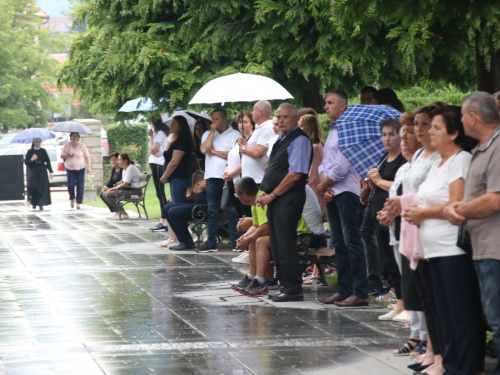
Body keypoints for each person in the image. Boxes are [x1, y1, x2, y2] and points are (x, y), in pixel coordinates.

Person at [403, 105, 484, 375]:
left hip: (452, 248)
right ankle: (449, 363)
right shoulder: (439, 162)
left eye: (436, 127)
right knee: (444, 311)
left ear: (453, 133)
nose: (430, 132)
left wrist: (422, 212)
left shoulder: (460, 159)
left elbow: (456, 203)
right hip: (433, 249)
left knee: (460, 312)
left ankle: (466, 366)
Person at [444, 92, 500, 374]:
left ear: (474, 117)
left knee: (498, 320)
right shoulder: (483, 147)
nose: (462, 121)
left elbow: (494, 199)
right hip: (483, 248)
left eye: (463, 116)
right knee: (492, 316)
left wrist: (460, 210)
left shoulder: (498, 147)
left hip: (495, 249)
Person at [317, 90, 369, 307]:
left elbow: (341, 166)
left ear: (343, 106)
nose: (326, 106)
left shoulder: (350, 128)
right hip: (332, 191)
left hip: (346, 192)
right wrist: (323, 184)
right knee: (338, 242)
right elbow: (325, 162)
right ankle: (344, 288)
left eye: (330, 103)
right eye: (325, 103)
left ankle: (360, 291)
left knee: (352, 241)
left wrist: (323, 185)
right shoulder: (333, 129)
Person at [258, 103, 312, 302]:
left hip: (288, 197)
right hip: (276, 197)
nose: (280, 120)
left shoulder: (299, 140)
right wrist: (265, 192)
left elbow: (295, 174)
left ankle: (293, 288)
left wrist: (272, 194)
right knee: (277, 242)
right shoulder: (281, 139)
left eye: (285, 117)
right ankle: (285, 284)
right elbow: (275, 169)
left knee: (286, 242)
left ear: (296, 119)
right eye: (278, 117)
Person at [232, 177, 323, 296]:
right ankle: (253, 276)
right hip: (286, 234)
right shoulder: (256, 201)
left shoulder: (261, 199)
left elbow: (265, 228)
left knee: (260, 241)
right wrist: (245, 238)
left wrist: (249, 238)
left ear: (243, 195)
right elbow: (256, 225)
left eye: (236, 194)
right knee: (254, 240)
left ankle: (260, 281)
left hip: (300, 236)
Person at [366, 119, 406, 318]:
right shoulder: (384, 157)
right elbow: (379, 184)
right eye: (384, 135)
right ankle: (399, 303)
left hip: (395, 218)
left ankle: (405, 304)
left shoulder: (404, 160)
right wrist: (372, 183)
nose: (387, 139)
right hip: (380, 215)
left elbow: (399, 186)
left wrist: (379, 181)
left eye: (391, 134)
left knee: (398, 261)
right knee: (388, 262)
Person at [198, 108, 241, 253]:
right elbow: (204, 150)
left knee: (232, 210)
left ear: (224, 118)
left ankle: (236, 242)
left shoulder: (235, 134)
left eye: (217, 119)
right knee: (212, 210)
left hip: (228, 176)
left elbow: (234, 154)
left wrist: (214, 151)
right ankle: (211, 243)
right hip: (211, 176)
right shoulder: (207, 134)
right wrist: (211, 132)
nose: (215, 122)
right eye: (213, 119)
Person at [163, 170, 207, 251]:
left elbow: (203, 186)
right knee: (166, 208)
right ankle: (182, 240)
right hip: (197, 204)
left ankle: (187, 242)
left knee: (173, 212)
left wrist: (201, 186)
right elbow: (195, 190)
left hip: (203, 207)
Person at [223, 111, 255, 218]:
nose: (242, 125)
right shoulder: (238, 141)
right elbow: (231, 158)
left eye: (245, 122)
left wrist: (232, 173)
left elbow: (246, 161)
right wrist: (227, 170)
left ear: (252, 124)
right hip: (234, 182)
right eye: (240, 122)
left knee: (247, 214)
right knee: (240, 214)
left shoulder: (253, 140)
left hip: (244, 182)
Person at [160, 116, 194, 203]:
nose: (171, 126)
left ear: (181, 126)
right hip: (175, 178)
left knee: (178, 204)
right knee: (175, 203)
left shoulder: (182, 141)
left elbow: (175, 161)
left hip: (179, 177)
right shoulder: (176, 139)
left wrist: (165, 175)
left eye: (174, 124)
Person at [240, 101, 275, 185]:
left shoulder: (267, 128)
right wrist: (245, 144)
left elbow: (258, 152)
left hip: (259, 179)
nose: (252, 113)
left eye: (253, 110)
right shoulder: (260, 128)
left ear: (260, 112)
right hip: (252, 179)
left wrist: (243, 149)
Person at [102, 153, 143, 220]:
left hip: (136, 193)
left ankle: (123, 213)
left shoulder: (130, 168)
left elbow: (125, 184)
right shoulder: (125, 169)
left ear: (125, 161)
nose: (118, 162)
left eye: (119, 160)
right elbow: (121, 182)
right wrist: (108, 188)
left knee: (109, 194)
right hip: (130, 190)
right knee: (105, 193)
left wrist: (112, 189)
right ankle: (117, 211)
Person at [299, 114, 326, 213]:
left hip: (314, 188)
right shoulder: (316, 145)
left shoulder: (314, 148)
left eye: (301, 126)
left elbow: (313, 174)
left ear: (309, 128)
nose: (299, 129)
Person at [148, 117, 170, 232]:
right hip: (157, 163)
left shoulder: (160, 133)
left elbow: (152, 149)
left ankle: (164, 220)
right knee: (160, 193)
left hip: (157, 164)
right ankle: (164, 219)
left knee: (160, 193)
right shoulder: (163, 133)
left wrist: (151, 136)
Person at [60, 132, 91, 209]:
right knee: (70, 185)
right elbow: (61, 156)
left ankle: (78, 202)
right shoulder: (67, 145)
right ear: (70, 137)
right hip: (70, 168)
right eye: (73, 136)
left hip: (81, 168)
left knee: (80, 185)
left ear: (78, 138)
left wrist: (89, 166)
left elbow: (87, 157)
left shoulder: (82, 145)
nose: (74, 138)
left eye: (76, 136)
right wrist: (67, 153)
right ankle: (72, 198)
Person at [25, 138, 53, 210]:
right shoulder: (30, 151)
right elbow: (26, 162)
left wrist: (50, 171)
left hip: (42, 172)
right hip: (33, 172)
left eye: (39, 142)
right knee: (33, 187)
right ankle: (34, 202)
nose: (37, 143)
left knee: (41, 188)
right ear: (34, 142)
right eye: (36, 142)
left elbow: (47, 161)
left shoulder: (43, 151)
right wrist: (32, 159)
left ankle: (40, 203)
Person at [101, 151, 123, 219]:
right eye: (111, 160)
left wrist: (111, 188)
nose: (113, 162)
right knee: (102, 194)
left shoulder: (122, 169)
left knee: (108, 194)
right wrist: (106, 186)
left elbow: (122, 181)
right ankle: (113, 211)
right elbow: (111, 181)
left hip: (121, 188)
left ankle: (120, 211)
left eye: (115, 160)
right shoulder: (114, 170)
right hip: (115, 188)